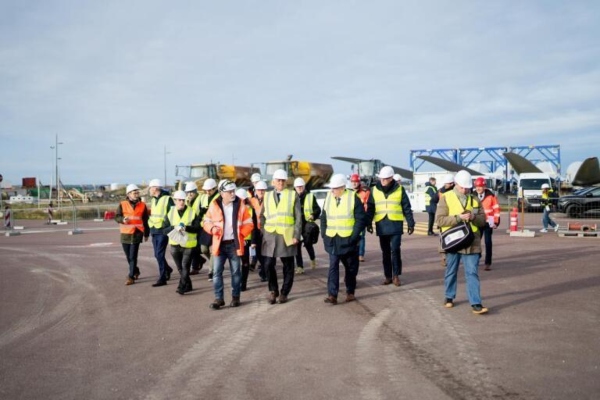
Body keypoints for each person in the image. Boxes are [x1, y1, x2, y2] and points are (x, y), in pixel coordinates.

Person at [435, 170, 488, 315]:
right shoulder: (445, 198)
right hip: (454, 241)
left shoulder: (475, 200)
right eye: (463, 187)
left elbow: (483, 220)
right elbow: (439, 220)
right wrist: (458, 218)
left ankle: (476, 303)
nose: (465, 190)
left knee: (472, 272)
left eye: (467, 187)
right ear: (456, 185)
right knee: (451, 270)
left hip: (472, 242)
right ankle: (449, 296)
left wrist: (472, 217)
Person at [203, 180, 253, 309]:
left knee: (236, 273)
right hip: (219, 245)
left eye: (233, 191)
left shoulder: (240, 204)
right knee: (216, 273)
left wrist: (241, 235)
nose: (232, 193)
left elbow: (249, 223)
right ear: (221, 193)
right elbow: (206, 221)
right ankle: (219, 299)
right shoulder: (214, 205)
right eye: (229, 191)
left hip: (234, 245)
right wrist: (212, 229)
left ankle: (235, 297)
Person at [366, 166, 415, 287]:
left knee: (395, 250)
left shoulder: (399, 189)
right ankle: (387, 276)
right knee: (385, 252)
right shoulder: (374, 190)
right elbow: (371, 208)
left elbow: (406, 207)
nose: (383, 181)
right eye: (381, 179)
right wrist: (368, 223)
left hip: (396, 224)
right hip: (382, 224)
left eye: (385, 179)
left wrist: (410, 223)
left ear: (391, 178)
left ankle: (396, 275)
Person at [321, 174, 366, 304]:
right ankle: (332, 295)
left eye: (334, 188)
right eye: (332, 188)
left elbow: (360, 219)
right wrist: (324, 233)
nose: (332, 191)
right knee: (333, 266)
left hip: (348, 241)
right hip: (332, 239)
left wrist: (354, 237)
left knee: (351, 268)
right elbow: (324, 217)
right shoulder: (329, 197)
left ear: (342, 188)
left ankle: (350, 292)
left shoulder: (352, 198)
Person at [261, 169, 303, 304]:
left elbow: (298, 218)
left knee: (288, 265)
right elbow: (262, 215)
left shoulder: (292, 195)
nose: (280, 182)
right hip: (270, 235)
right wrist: (264, 230)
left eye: (282, 180)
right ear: (273, 182)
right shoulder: (266, 196)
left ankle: (284, 292)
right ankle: (274, 290)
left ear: (286, 182)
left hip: (286, 235)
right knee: (267, 264)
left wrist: (296, 235)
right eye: (278, 180)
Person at [163, 190, 202, 295]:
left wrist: (186, 228)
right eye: (179, 200)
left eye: (183, 200)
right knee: (180, 268)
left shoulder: (192, 212)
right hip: (175, 245)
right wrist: (173, 227)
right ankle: (188, 285)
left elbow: (198, 228)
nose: (181, 202)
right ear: (175, 201)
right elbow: (164, 229)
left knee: (185, 267)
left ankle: (181, 286)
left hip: (188, 245)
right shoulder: (170, 213)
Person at [115, 184, 149, 285]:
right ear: (128, 194)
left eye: (137, 192)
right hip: (125, 234)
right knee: (128, 257)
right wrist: (122, 219)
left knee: (133, 256)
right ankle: (136, 270)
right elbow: (117, 217)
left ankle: (130, 277)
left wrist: (146, 234)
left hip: (137, 233)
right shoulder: (122, 204)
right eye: (134, 193)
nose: (136, 194)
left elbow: (145, 221)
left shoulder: (142, 205)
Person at [148, 179, 174, 287]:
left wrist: (165, 226)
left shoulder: (167, 199)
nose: (149, 190)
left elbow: (172, 214)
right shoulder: (153, 199)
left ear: (155, 188)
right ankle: (168, 269)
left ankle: (162, 277)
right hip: (154, 229)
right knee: (156, 254)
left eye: (150, 188)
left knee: (159, 254)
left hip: (162, 231)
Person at [293, 177, 321, 274]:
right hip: (296, 225)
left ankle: (312, 259)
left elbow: (317, 209)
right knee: (297, 246)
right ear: (295, 187)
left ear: (304, 186)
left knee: (308, 244)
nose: (300, 188)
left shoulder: (310, 196)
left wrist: (313, 215)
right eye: (298, 187)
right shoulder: (291, 197)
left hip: (307, 225)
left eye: (301, 186)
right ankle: (300, 266)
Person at [473, 177, 500, 271]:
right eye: (477, 186)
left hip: (489, 222)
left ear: (484, 186)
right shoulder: (473, 195)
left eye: (480, 186)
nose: (478, 188)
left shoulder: (491, 196)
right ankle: (477, 258)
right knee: (476, 242)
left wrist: (496, 222)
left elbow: (496, 209)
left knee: (488, 242)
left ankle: (488, 263)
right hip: (477, 221)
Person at [199, 178, 219, 281]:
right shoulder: (203, 198)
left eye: (209, 190)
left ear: (215, 188)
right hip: (206, 226)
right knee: (204, 249)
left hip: (216, 227)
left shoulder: (219, 197)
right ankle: (215, 262)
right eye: (206, 190)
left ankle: (211, 271)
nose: (207, 192)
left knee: (213, 251)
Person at [432, 174, 454, 267]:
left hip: (452, 218)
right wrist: (437, 212)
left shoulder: (453, 191)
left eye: (447, 183)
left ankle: (450, 257)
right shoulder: (441, 191)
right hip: (445, 218)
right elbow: (433, 201)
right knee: (443, 238)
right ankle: (444, 258)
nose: (446, 185)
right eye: (445, 183)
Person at [185, 181, 205, 275]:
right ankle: (196, 265)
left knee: (197, 247)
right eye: (188, 192)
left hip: (199, 226)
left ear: (196, 191)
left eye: (191, 192)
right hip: (191, 226)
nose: (189, 194)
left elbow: (202, 212)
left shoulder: (200, 199)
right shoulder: (187, 200)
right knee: (192, 247)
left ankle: (196, 265)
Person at [249, 180, 268, 282]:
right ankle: (264, 271)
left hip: (268, 230)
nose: (261, 192)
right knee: (259, 254)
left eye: (263, 190)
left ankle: (265, 273)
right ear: (255, 190)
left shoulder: (269, 200)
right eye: (259, 190)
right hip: (256, 230)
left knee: (267, 254)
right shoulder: (252, 201)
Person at [350, 173, 371, 262]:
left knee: (361, 236)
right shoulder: (349, 192)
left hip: (361, 217)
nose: (354, 183)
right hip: (351, 218)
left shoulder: (365, 191)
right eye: (353, 182)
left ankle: (361, 254)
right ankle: (352, 252)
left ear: (359, 182)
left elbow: (369, 205)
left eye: (356, 182)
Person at [235, 188, 254, 291]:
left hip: (246, 239)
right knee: (236, 262)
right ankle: (238, 282)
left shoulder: (250, 210)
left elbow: (251, 226)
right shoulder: (233, 209)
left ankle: (243, 283)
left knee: (245, 262)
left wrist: (251, 241)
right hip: (236, 239)